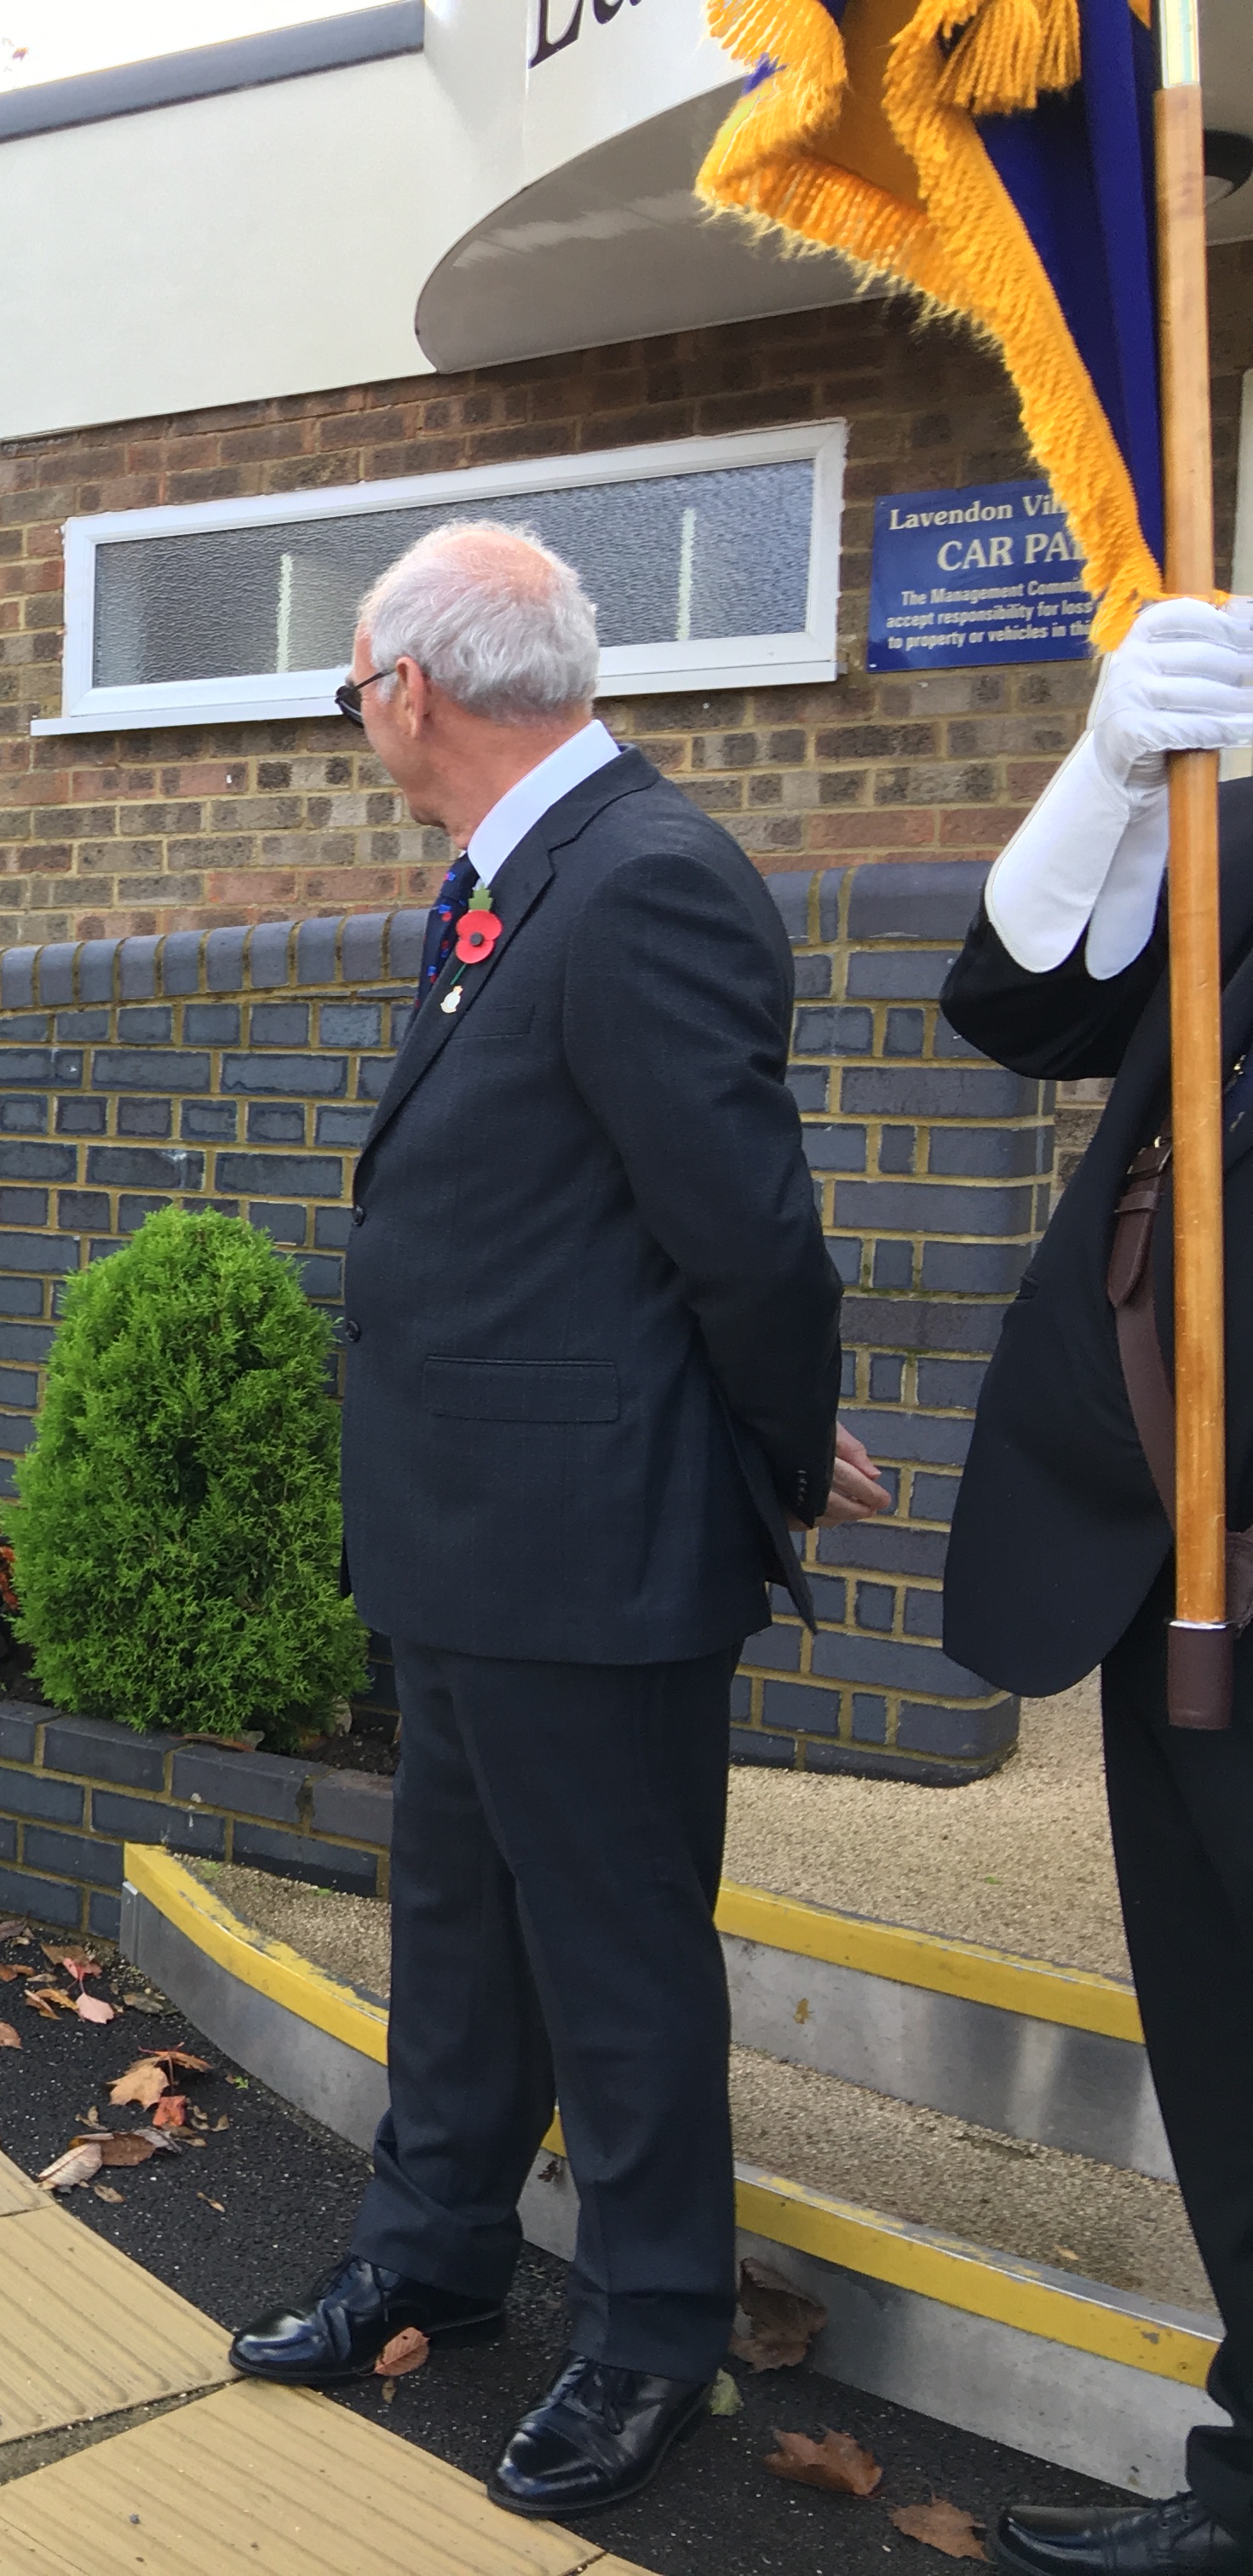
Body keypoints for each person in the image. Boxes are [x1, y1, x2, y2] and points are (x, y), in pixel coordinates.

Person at [224, 522, 887, 2517]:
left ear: (409, 689)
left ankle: (657, 2330)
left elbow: (748, 1235)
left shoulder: (644, 878)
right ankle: (437, 2252)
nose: (357, 721)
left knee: (617, 1962)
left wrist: (781, 1445)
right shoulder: (510, 882)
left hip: (594, 1549)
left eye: (351, 688)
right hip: (471, 1533)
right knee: (459, 1925)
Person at [937, 595, 1253, 2576]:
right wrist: (1115, 772)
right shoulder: (1243, 823)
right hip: (1182, 1575)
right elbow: (1023, 1006)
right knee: (1225, 2056)